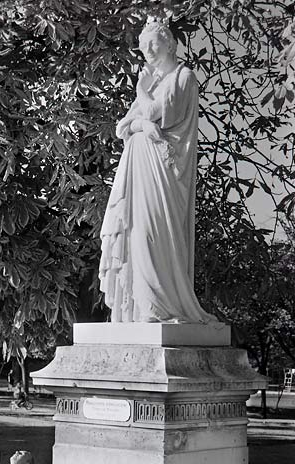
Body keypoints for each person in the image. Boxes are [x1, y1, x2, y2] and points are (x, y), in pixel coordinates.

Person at [99, 18, 219, 326]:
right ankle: (143, 307)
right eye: (143, 46)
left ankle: (160, 306)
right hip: (139, 167)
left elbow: (159, 114)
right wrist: (140, 124)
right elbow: (122, 127)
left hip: (165, 171)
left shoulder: (183, 77)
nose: (148, 50)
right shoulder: (152, 83)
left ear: (170, 43)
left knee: (154, 235)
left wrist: (141, 93)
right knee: (137, 233)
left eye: (153, 43)